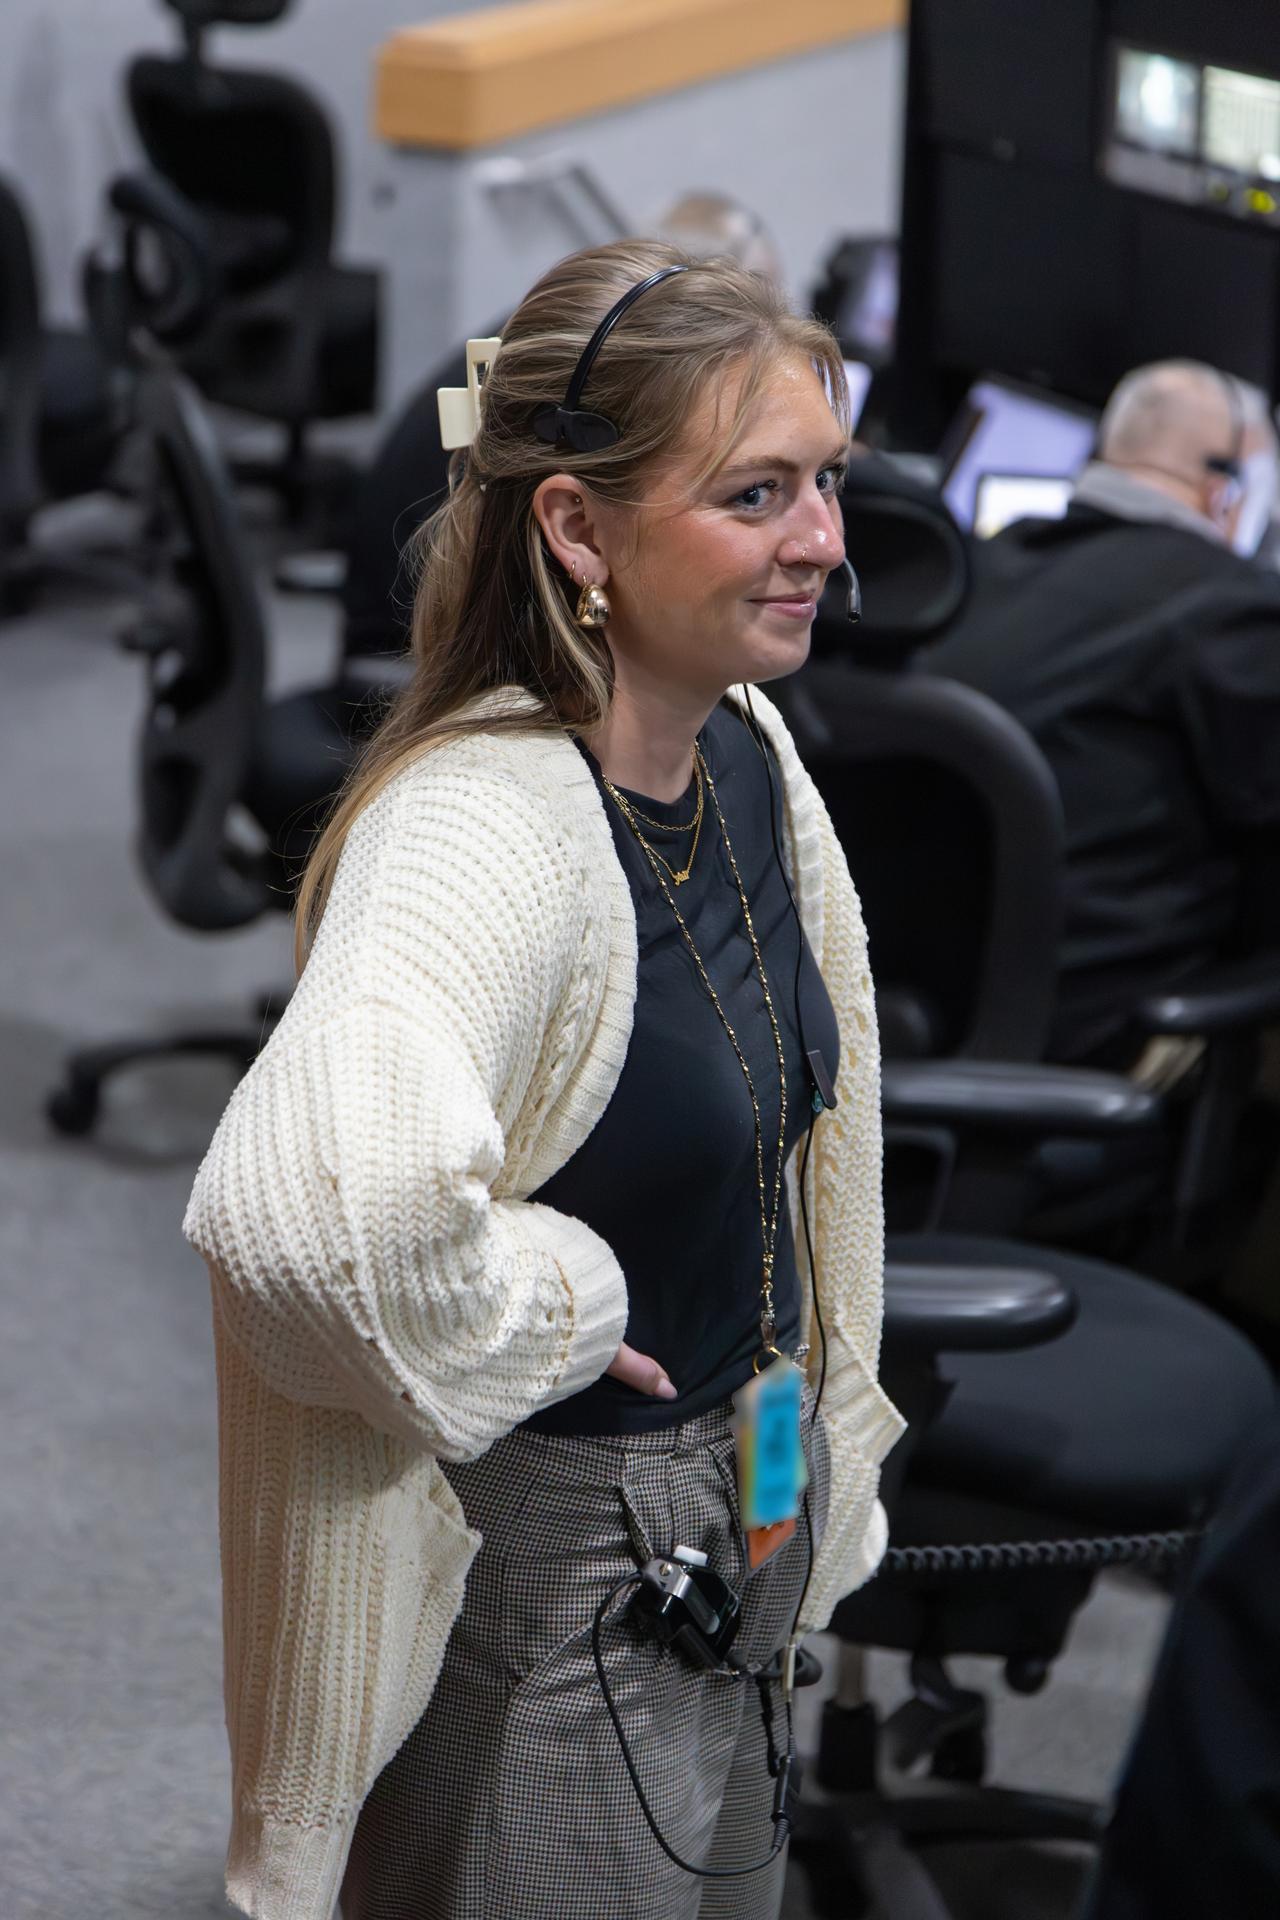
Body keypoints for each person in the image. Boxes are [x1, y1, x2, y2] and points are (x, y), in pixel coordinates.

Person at [182, 239, 905, 1920]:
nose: (823, 542)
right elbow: (308, 1226)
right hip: (575, 1557)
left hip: (745, 1484)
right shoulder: (478, 829)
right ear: (580, 529)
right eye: (758, 496)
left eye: (828, 481)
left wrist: (788, 1451)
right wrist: (563, 1297)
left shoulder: (741, 746)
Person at [928, 360, 1280, 1067]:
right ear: (1223, 489)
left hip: (916, 1023)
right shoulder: (1233, 609)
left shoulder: (972, 571)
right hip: (1098, 1042)